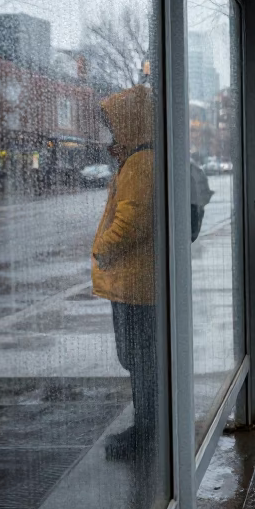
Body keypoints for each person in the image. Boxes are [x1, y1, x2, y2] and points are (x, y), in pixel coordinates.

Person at [92, 85, 159, 460]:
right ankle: (148, 426)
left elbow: (131, 222)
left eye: (114, 125)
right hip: (138, 281)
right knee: (140, 360)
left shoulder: (140, 164)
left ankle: (146, 431)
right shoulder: (140, 159)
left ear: (131, 123)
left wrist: (102, 250)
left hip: (134, 283)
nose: (111, 133)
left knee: (139, 360)